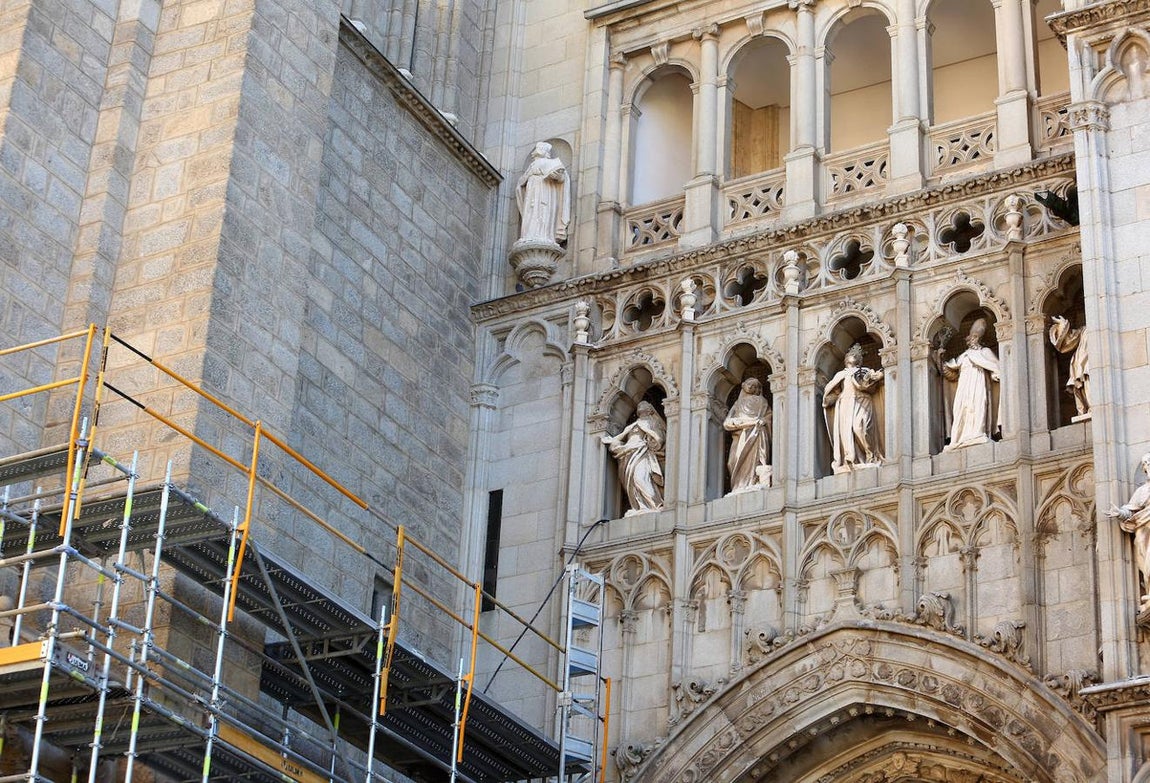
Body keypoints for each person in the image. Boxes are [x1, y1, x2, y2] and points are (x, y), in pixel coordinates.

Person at [939, 318, 1001, 450]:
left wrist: (995, 373)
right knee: (961, 409)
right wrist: (940, 359)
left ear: (978, 338)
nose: (971, 340)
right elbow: (951, 373)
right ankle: (958, 438)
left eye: (974, 337)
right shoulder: (964, 356)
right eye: (970, 337)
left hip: (979, 384)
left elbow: (997, 366)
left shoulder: (984, 352)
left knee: (978, 405)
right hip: (964, 387)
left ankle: (978, 433)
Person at [822, 344, 883, 473]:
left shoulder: (865, 371)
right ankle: (851, 459)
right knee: (846, 433)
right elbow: (835, 392)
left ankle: (870, 456)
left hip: (862, 401)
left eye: (857, 355)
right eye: (851, 354)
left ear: (860, 360)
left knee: (860, 427)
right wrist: (828, 400)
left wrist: (875, 378)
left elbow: (871, 385)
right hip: (845, 404)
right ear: (845, 359)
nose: (853, 355)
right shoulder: (840, 374)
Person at [602, 401, 666, 515]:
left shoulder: (653, 422)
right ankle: (640, 506)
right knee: (630, 482)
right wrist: (612, 441)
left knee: (640, 478)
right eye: (639, 405)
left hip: (642, 452)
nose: (640, 406)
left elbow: (659, 439)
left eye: (644, 405)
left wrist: (648, 433)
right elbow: (620, 437)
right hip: (628, 453)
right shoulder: (633, 425)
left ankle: (653, 504)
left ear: (650, 409)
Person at [1106, 453, 1150, 614]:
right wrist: (1120, 513)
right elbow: (1131, 510)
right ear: (1144, 469)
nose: (1149, 466)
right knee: (1147, 565)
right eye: (1147, 464)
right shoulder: (1142, 491)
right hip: (1145, 531)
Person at [724, 378, 773, 492]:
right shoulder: (737, 404)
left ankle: (755, 481)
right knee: (732, 461)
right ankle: (738, 486)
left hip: (757, 435)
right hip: (741, 436)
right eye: (750, 384)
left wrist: (762, 423)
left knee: (757, 461)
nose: (752, 387)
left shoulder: (762, 402)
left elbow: (768, 418)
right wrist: (744, 423)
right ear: (743, 385)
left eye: (756, 386)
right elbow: (727, 423)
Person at [515, 141, 570, 244]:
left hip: (546, 191)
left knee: (543, 212)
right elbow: (521, 182)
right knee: (532, 212)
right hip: (532, 192)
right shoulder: (532, 165)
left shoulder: (553, 163)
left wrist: (557, 177)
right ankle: (529, 235)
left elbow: (563, 178)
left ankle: (545, 236)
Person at [1049, 315, 1090, 419]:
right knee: (1087, 382)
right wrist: (1063, 325)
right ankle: (1089, 407)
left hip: (1090, 366)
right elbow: (1066, 343)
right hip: (1083, 366)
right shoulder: (1085, 330)